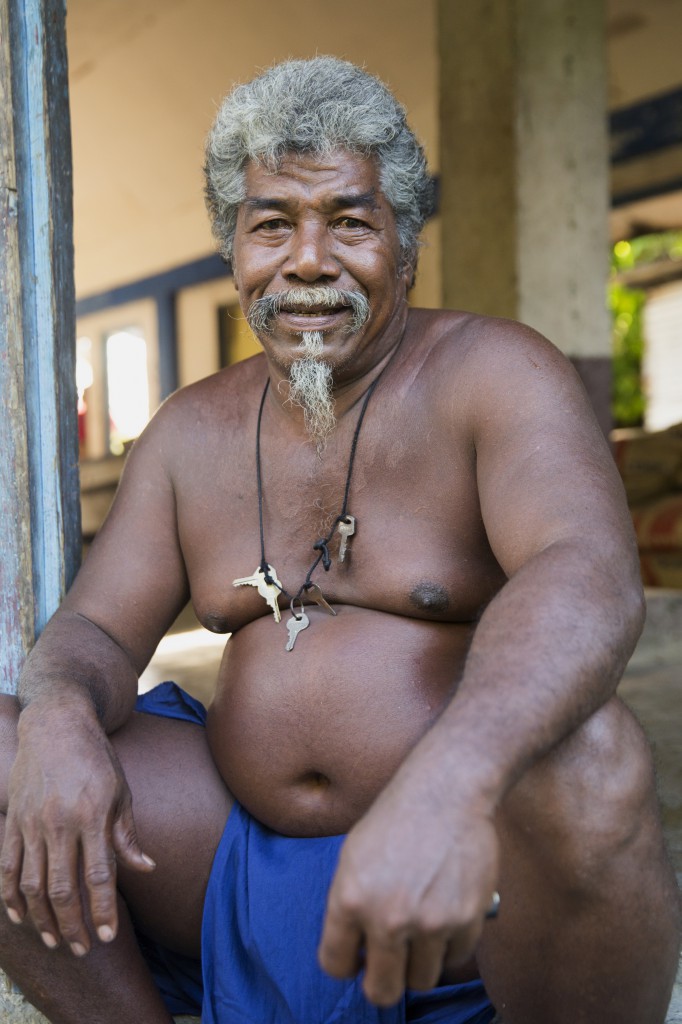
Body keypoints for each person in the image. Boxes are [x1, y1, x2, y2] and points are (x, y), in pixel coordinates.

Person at [0, 56, 679, 1024]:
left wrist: (450, 781)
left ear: (403, 247)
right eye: (271, 223)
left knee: (591, 760)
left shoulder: (493, 373)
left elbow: (585, 571)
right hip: (225, 857)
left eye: (350, 222)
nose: (308, 260)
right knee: (10, 746)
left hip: (466, 872)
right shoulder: (189, 432)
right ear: (233, 249)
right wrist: (60, 710)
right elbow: (98, 630)